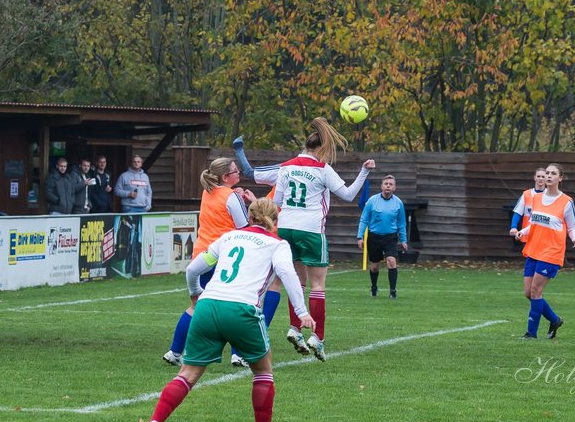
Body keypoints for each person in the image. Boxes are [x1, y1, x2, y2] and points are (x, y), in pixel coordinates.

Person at [135, 198, 314, 422]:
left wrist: (195, 292)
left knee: (187, 374)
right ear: (275, 220)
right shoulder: (277, 244)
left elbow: (192, 269)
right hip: (242, 309)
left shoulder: (229, 237)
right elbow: (288, 275)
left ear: (249, 217)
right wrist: (302, 311)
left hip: (208, 306)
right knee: (263, 372)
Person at [253, 117, 374, 361]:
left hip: (286, 228)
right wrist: (364, 171)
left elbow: (276, 203)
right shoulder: (321, 169)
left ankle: (295, 328)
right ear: (320, 149)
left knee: (296, 281)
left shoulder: (286, 166)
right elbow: (349, 195)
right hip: (310, 229)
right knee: (318, 285)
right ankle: (317, 337)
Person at [163, 157, 257, 368]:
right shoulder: (231, 196)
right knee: (237, 303)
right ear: (225, 177)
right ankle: (237, 354)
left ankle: (175, 351)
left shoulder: (208, 191)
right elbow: (243, 228)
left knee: (196, 306)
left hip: (202, 253)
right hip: (225, 254)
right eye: (235, 171)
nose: (238, 174)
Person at [510, 163, 575, 339]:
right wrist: (521, 232)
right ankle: (554, 320)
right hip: (534, 248)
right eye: (547, 173)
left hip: (551, 252)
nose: (548, 176)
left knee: (536, 291)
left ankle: (531, 334)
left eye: (553, 173)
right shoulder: (536, 198)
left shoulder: (566, 201)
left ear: (560, 178)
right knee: (528, 293)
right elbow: (534, 223)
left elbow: (571, 227)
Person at [357, 174, 407, 298]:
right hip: (374, 237)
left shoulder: (398, 203)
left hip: (390, 237)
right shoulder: (372, 201)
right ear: (382, 186)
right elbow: (364, 220)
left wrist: (404, 239)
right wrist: (360, 237)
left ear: (394, 188)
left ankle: (393, 291)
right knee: (374, 266)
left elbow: (401, 223)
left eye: (391, 184)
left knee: (391, 261)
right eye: (386, 184)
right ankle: (374, 288)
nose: (388, 186)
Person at [510, 168, 548, 304]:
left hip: (544, 238)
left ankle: (537, 291)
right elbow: (517, 212)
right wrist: (514, 227)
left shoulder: (551, 196)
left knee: (540, 262)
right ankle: (535, 292)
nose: (541, 179)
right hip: (529, 236)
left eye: (543, 176)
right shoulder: (527, 194)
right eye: (538, 176)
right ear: (534, 178)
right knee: (531, 263)